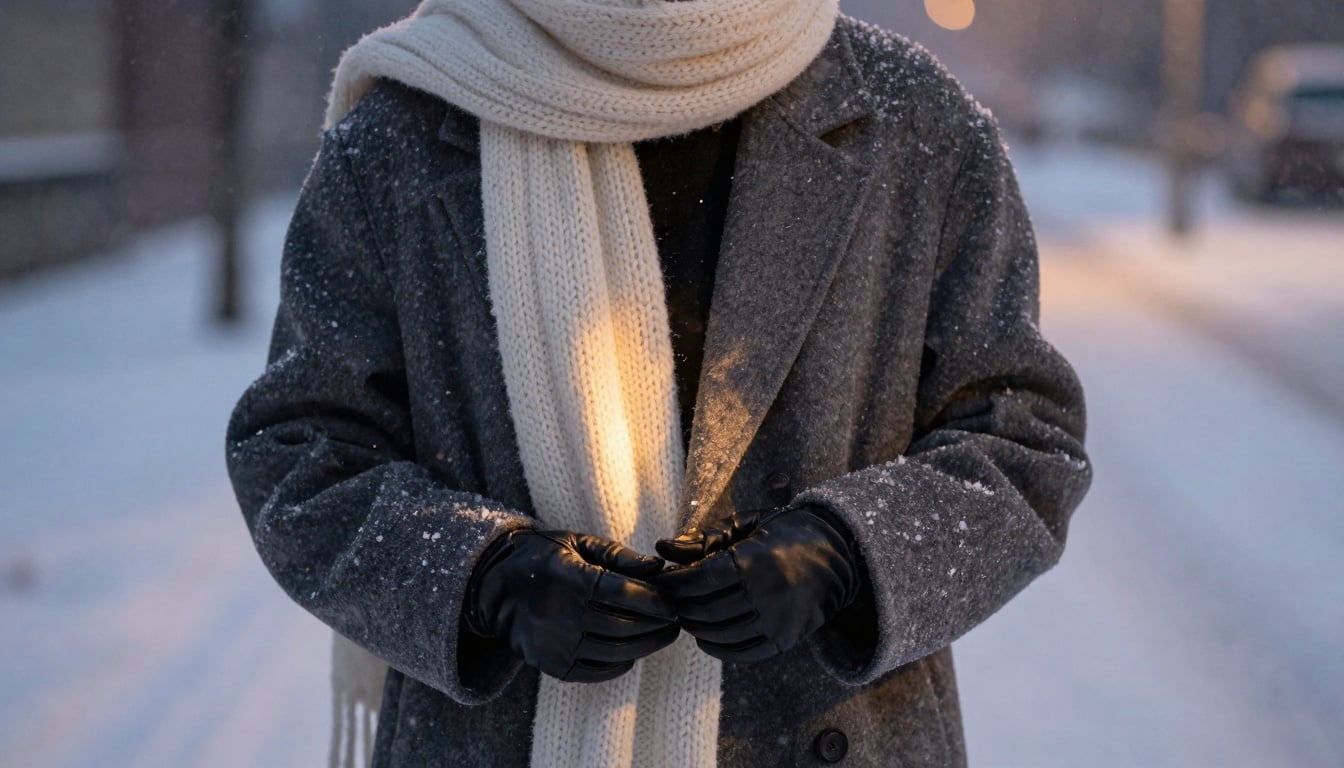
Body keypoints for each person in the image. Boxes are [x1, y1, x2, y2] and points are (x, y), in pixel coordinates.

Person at [225, 0, 1092, 766]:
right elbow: (300, 447)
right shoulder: (409, 127)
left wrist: (846, 554)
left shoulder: (916, 123)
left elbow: (1023, 433)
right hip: (497, 737)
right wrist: (486, 575)